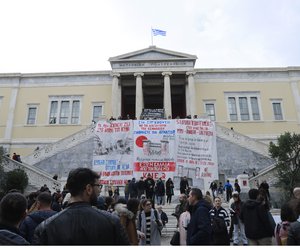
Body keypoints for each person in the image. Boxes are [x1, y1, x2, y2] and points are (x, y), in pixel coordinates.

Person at [33, 167, 129, 245]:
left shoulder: (46, 226)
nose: (99, 191)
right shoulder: (111, 221)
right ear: (88, 189)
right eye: (98, 186)